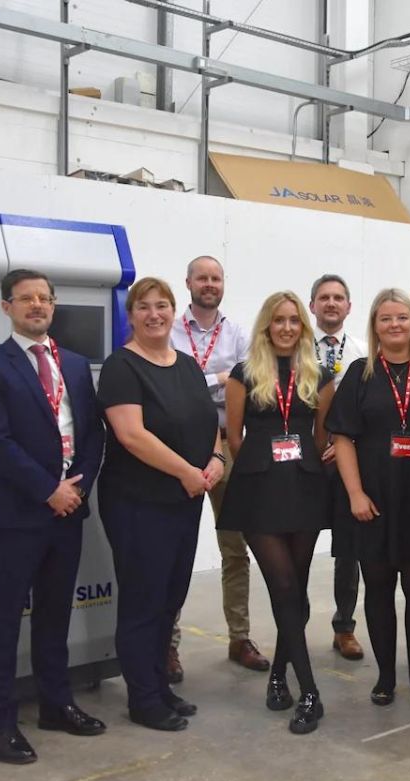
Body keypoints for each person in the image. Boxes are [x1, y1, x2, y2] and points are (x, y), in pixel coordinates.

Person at [0, 269, 107, 765]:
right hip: (17, 513)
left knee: (55, 614)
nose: (37, 306)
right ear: (6, 307)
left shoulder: (73, 363)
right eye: (26, 299)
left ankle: (55, 704)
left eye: (44, 298)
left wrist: (77, 488)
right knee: (4, 619)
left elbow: (92, 436)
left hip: (68, 511)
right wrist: (48, 490)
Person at [97, 277, 223, 732]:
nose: (154, 314)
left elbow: (207, 419)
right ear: (130, 316)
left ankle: (158, 685)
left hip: (183, 501)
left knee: (169, 598)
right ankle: (143, 699)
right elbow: (132, 435)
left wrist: (215, 458)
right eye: (144, 307)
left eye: (162, 306)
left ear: (174, 312)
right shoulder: (121, 367)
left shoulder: (188, 366)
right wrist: (187, 472)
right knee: (142, 601)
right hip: (138, 503)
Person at [218, 291, 335, 734]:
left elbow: (321, 437)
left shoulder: (319, 375)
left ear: (302, 327)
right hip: (259, 490)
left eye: (293, 321)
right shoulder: (244, 374)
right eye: (278, 321)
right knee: (283, 585)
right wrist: (262, 467)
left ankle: (277, 676)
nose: (286, 328)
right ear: (266, 327)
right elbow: (234, 438)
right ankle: (309, 692)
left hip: (305, 488)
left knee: (297, 592)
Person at [326, 289, 410, 705]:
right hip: (371, 500)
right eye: (386, 319)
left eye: (402, 318)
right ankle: (384, 677)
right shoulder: (361, 374)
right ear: (374, 326)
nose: (395, 325)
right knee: (377, 589)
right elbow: (341, 438)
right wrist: (355, 493)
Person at [168, 255, 268, 681]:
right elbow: (170, 387)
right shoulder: (167, 328)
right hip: (178, 452)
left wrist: (201, 380)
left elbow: (248, 380)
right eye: (202, 277)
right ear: (188, 282)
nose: (209, 284)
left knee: (234, 549)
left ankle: (239, 637)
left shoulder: (237, 332)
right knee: (171, 552)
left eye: (216, 278)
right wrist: (216, 378)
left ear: (223, 284)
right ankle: (166, 643)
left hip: (228, 447)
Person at [310, 274, 367, 661]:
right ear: (312, 306)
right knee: (298, 545)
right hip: (302, 464)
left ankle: (344, 627)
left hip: (346, 461)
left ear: (349, 307)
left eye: (339, 298)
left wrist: (344, 447)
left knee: (348, 549)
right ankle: (292, 623)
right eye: (324, 298)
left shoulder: (364, 354)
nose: (332, 303)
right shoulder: (294, 350)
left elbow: (370, 412)